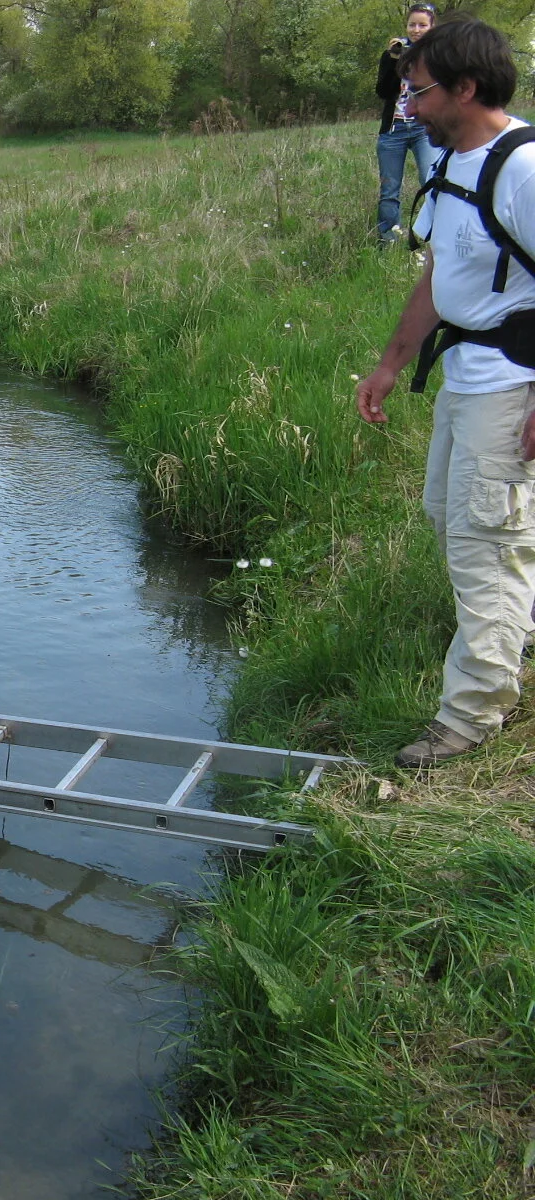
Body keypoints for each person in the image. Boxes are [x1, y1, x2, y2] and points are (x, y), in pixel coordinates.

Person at [356, 18, 535, 768]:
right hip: (465, 379)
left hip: (511, 383)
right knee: (454, 517)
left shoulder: (523, 169)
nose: (409, 101)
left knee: (484, 545)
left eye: (419, 87)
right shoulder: (454, 162)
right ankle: (508, 634)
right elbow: (440, 274)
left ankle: (469, 718)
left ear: (465, 88)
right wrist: (393, 361)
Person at [375, 3, 441, 243]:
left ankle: (433, 236)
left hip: (426, 128)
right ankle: (388, 240)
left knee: (432, 181)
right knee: (389, 190)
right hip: (394, 129)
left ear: (432, 27)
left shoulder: (439, 54)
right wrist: (395, 60)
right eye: (412, 24)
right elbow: (382, 91)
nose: (416, 29)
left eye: (422, 25)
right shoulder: (394, 52)